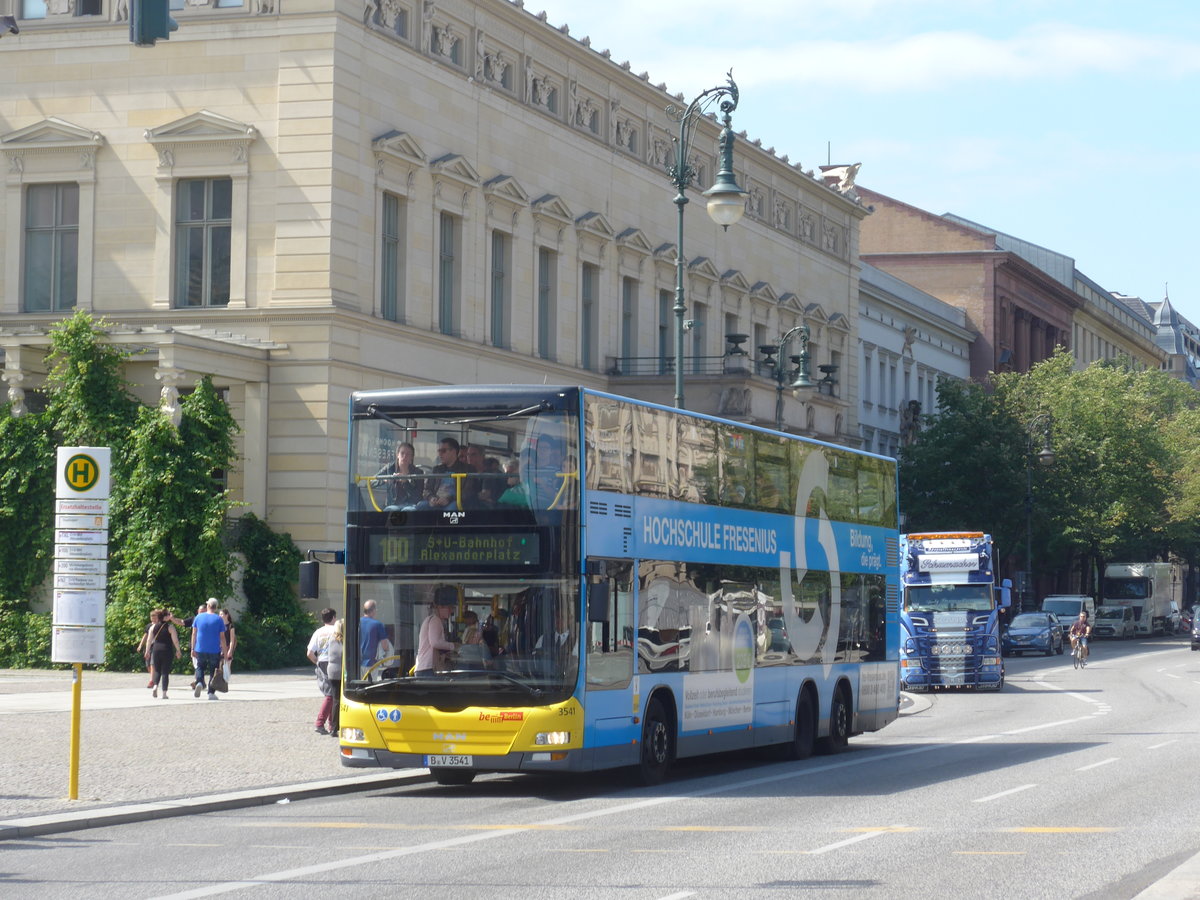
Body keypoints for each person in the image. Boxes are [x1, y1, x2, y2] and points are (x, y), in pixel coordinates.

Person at [307, 607, 337, 734]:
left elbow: (309, 653)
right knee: (331, 695)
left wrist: (317, 661)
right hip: (334, 662)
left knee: (330, 694)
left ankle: (331, 724)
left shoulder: (318, 632)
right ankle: (320, 723)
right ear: (334, 618)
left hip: (322, 661)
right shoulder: (336, 630)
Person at [416, 587, 459, 676]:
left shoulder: (431, 619)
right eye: (450, 607)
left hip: (425, 668)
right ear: (440, 607)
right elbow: (435, 643)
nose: (451, 611)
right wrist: (454, 646)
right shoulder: (435, 620)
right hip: (428, 669)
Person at [190, 598, 228, 700]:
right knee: (213, 671)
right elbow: (222, 638)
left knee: (200, 667)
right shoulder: (219, 619)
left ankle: (199, 682)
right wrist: (225, 653)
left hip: (200, 647)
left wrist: (192, 648)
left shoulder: (198, 617)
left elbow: (194, 633)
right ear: (216, 607)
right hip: (214, 649)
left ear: (208, 606)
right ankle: (211, 693)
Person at [419, 437, 469, 509]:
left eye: (443, 451)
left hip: (454, 501)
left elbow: (467, 492)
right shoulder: (437, 470)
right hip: (436, 501)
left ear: (454, 451)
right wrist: (431, 498)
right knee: (420, 506)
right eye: (439, 451)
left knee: (453, 508)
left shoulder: (466, 469)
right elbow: (427, 489)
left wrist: (449, 499)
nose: (440, 454)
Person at [376, 441, 425, 510]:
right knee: (391, 510)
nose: (404, 456)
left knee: (409, 510)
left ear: (412, 457)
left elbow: (418, 496)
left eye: (408, 454)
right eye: (402, 453)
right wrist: (385, 480)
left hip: (411, 504)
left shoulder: (418, 472)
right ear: (397, 455)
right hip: (393, 504)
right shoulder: (389, 468)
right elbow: (372, 481)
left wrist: (405, 482)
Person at [148, 608, 181, 699]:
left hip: (156, 649)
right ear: (166, 617)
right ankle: (164, 693)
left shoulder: (153, 627)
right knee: (165, 672)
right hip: (167, 649)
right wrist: (178, 650)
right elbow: (175, 641)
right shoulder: (170, 627)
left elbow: (149, 640)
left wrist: (147, 651)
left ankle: (155, 686)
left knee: (157, 670)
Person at [360, 598, 390, 675]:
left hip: (357, 664)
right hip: (371, 665)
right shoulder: (378, 625)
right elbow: (385, 646)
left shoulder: (356, 623)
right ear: (373, 610)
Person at [326, 618, 344, 738]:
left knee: (335, 698)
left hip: (331, 670)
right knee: (338, 699)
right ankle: (335, 726)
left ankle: (334, 725)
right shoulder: (341, 640)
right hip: (339, 671)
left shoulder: (331, 639)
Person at [135, 612, 158, 689]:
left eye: (154, 616)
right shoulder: (148, 626)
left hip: (156, 646)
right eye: (151, 616)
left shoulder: (159, 625)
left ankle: (152, 681)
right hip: (149, 646)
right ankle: (154, 678)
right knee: (148, 664)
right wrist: (140, 645)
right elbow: (145, 636)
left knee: (152, 663)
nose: (153, 618)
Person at [219, 609, 237, 677]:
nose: (220, 616)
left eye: (221, 614)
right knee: (219, 666)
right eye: (219, 614)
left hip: (227, 647)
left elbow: (232, 640)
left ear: (226, 615)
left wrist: (230, 650)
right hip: (219, 648)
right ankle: (219, 682)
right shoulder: (219, 625)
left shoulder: (230, 626)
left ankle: (226, 682)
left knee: (227, 666)